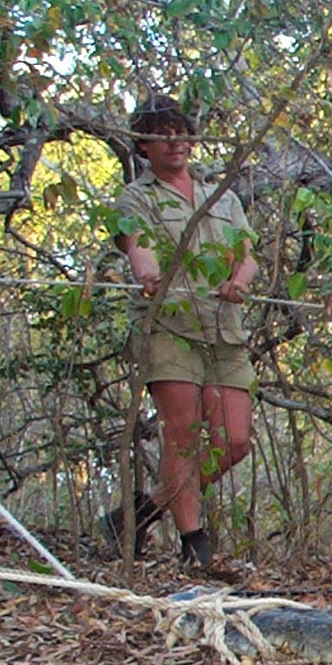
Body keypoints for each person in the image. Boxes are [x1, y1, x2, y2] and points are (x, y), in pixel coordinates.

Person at [106, 93, 258, 568]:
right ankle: (195, 544)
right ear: (143, 147)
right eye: (161, 133)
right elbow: (137, 246)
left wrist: (239, 282)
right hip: (169, 327)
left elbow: (247, 254)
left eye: (181, 132)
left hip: (222, 328)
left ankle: (143, 510)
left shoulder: (223, 197)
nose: (174, 142)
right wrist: (149, 276)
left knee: (234, 439)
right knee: (183, 435)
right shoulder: (137, 196)